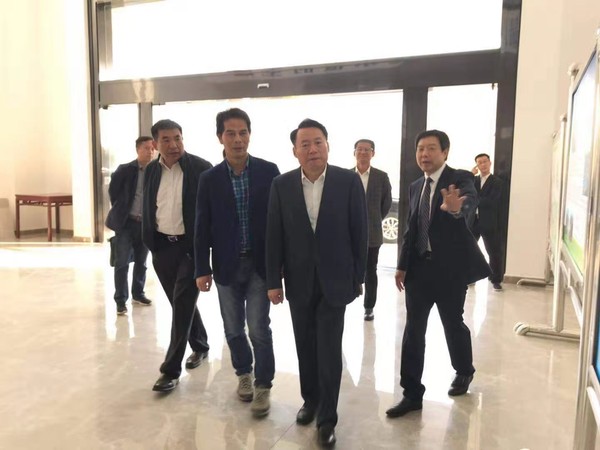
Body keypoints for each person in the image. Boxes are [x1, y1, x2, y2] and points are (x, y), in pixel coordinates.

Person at [266, 119, 367, 447]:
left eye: (318, 142)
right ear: (295, 151)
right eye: (305, 144)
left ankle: (327, 419)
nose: (313, 149)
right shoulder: (281, 185)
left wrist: (358, 277)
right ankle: (310, 400)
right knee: (305, 346)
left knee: (329, 350)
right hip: (298, 281)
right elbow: (274, 235)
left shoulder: (347, 181)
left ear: (328, 146)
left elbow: (359, 231)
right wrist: (273, 280)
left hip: (335, 281)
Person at [386, 130, 490, 418]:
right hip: (419, 269)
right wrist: (402, 265)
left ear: (445, 152)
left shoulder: (460, 178)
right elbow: (412, 229)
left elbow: (469, 201)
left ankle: (464, 370)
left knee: (452, 323)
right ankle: (411, 393)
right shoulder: (415, 185)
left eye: (431, 148)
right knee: (413, 330)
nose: (424, 154)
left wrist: (457, 209)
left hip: (450, 271)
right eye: (420, 148)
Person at [194, 108, 280, 417]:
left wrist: (279, 269)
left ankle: (263, 384)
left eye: (243, 132)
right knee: (232, 328)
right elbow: (202, 226)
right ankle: (244, 373)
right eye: (230, 133)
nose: (237, 139)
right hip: (226, 266)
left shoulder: (269, 172)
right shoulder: (209, 179)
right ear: (220, 137)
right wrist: (201, 268)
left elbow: (279, 223)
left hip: (260, 266)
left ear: (250, 135)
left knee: (259, 328)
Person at [142, 119, 212, 393]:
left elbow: (210, 213)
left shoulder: (201, 168)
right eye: (166, 140)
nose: (174, 145)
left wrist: (206, 252)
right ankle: (201, 344)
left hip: (190, 248)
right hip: (162, 247)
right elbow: (150, 206)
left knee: (182, 304)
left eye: (178, 138)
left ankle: (170, 371)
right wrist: (151, 242)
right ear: (155, 144)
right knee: (179, 302)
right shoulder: (151, 171)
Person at [105, 136, 155, 315]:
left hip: (145, 224)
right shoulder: (125, 170)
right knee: (122, 263)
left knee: (142, 262)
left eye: (152, 148)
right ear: (138, 150)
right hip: (126, 224)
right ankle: (120, 300)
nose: (150, 152)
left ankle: (138, 293)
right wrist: (122, 210)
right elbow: (114, 193)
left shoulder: (156, 171)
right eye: (146, 148)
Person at [353, 139, 392, 321]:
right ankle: (344, 298)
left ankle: (369, 307)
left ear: (373, 153)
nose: (363, 153)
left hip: (373, 233)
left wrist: (374, 220)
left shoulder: (381, 177)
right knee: (346, 267)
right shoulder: (345, 176)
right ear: (354, 152)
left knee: (370, 270)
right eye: (359, 149)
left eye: (367, 150)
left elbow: (386, 203)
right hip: (348, 234)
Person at [471, 153, 507, 291]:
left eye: (485, 161)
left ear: (490, 163)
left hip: (490, 222)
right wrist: (470, 174)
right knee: (470, 250)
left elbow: (492, 201)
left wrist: (475, 199)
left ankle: (496, 279)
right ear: (477, 165)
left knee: (494, 251)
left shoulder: (497, 182)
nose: (483, 164)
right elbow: (463, 192)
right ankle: (471, 276)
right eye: (479, 162)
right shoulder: (473, 181)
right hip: (472, 221)